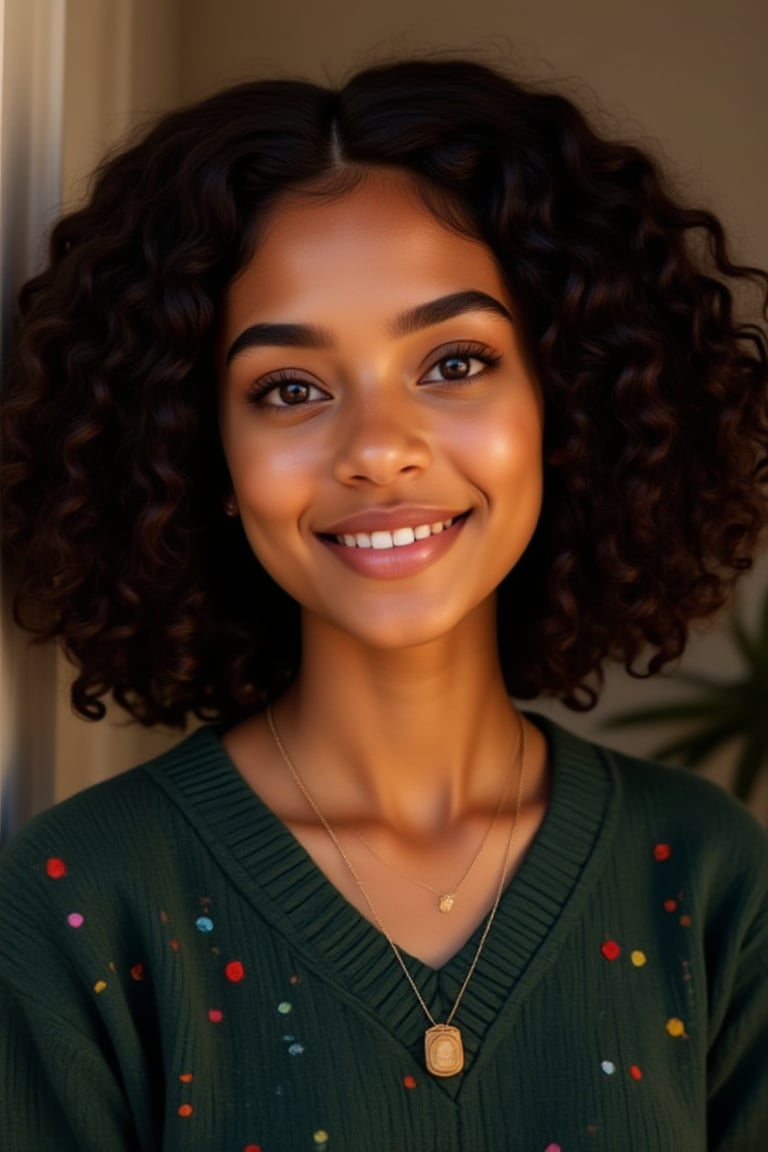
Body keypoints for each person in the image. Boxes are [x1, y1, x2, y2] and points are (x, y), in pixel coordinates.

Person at [1, 56, 767, 1152]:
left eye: (454, 362)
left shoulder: (706, 876)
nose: (377, 454)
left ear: (566, 396)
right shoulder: (86, 896)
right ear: (198, 450)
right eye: (291, 390)